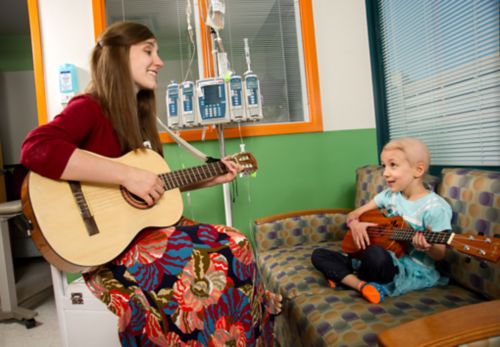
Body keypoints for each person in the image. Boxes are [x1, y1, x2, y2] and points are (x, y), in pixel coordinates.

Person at [21, 21, 280, 346]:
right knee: (200, 277)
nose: (158, 61)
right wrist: (127, 175)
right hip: (110, 250)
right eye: (148, 51)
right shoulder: (90, 107)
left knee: (238, 243)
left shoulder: (138, 117)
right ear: (117, 55)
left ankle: (246, 326)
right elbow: (37, 148)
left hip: (145, 233)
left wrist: (210, 178)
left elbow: (152, 187)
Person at [311, 137, 452, 304]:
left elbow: (439, 254)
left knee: (375, 254)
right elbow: (353, 215)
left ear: (418, 170)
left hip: (405, 269)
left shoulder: (435, 207)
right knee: (318, 254)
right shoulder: (389, 195)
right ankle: (361, 285)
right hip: (374, 259)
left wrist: (428, 247)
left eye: (393, 165)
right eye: (384, 166)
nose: (385, 173)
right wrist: (355, 225)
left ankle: (345, 278)